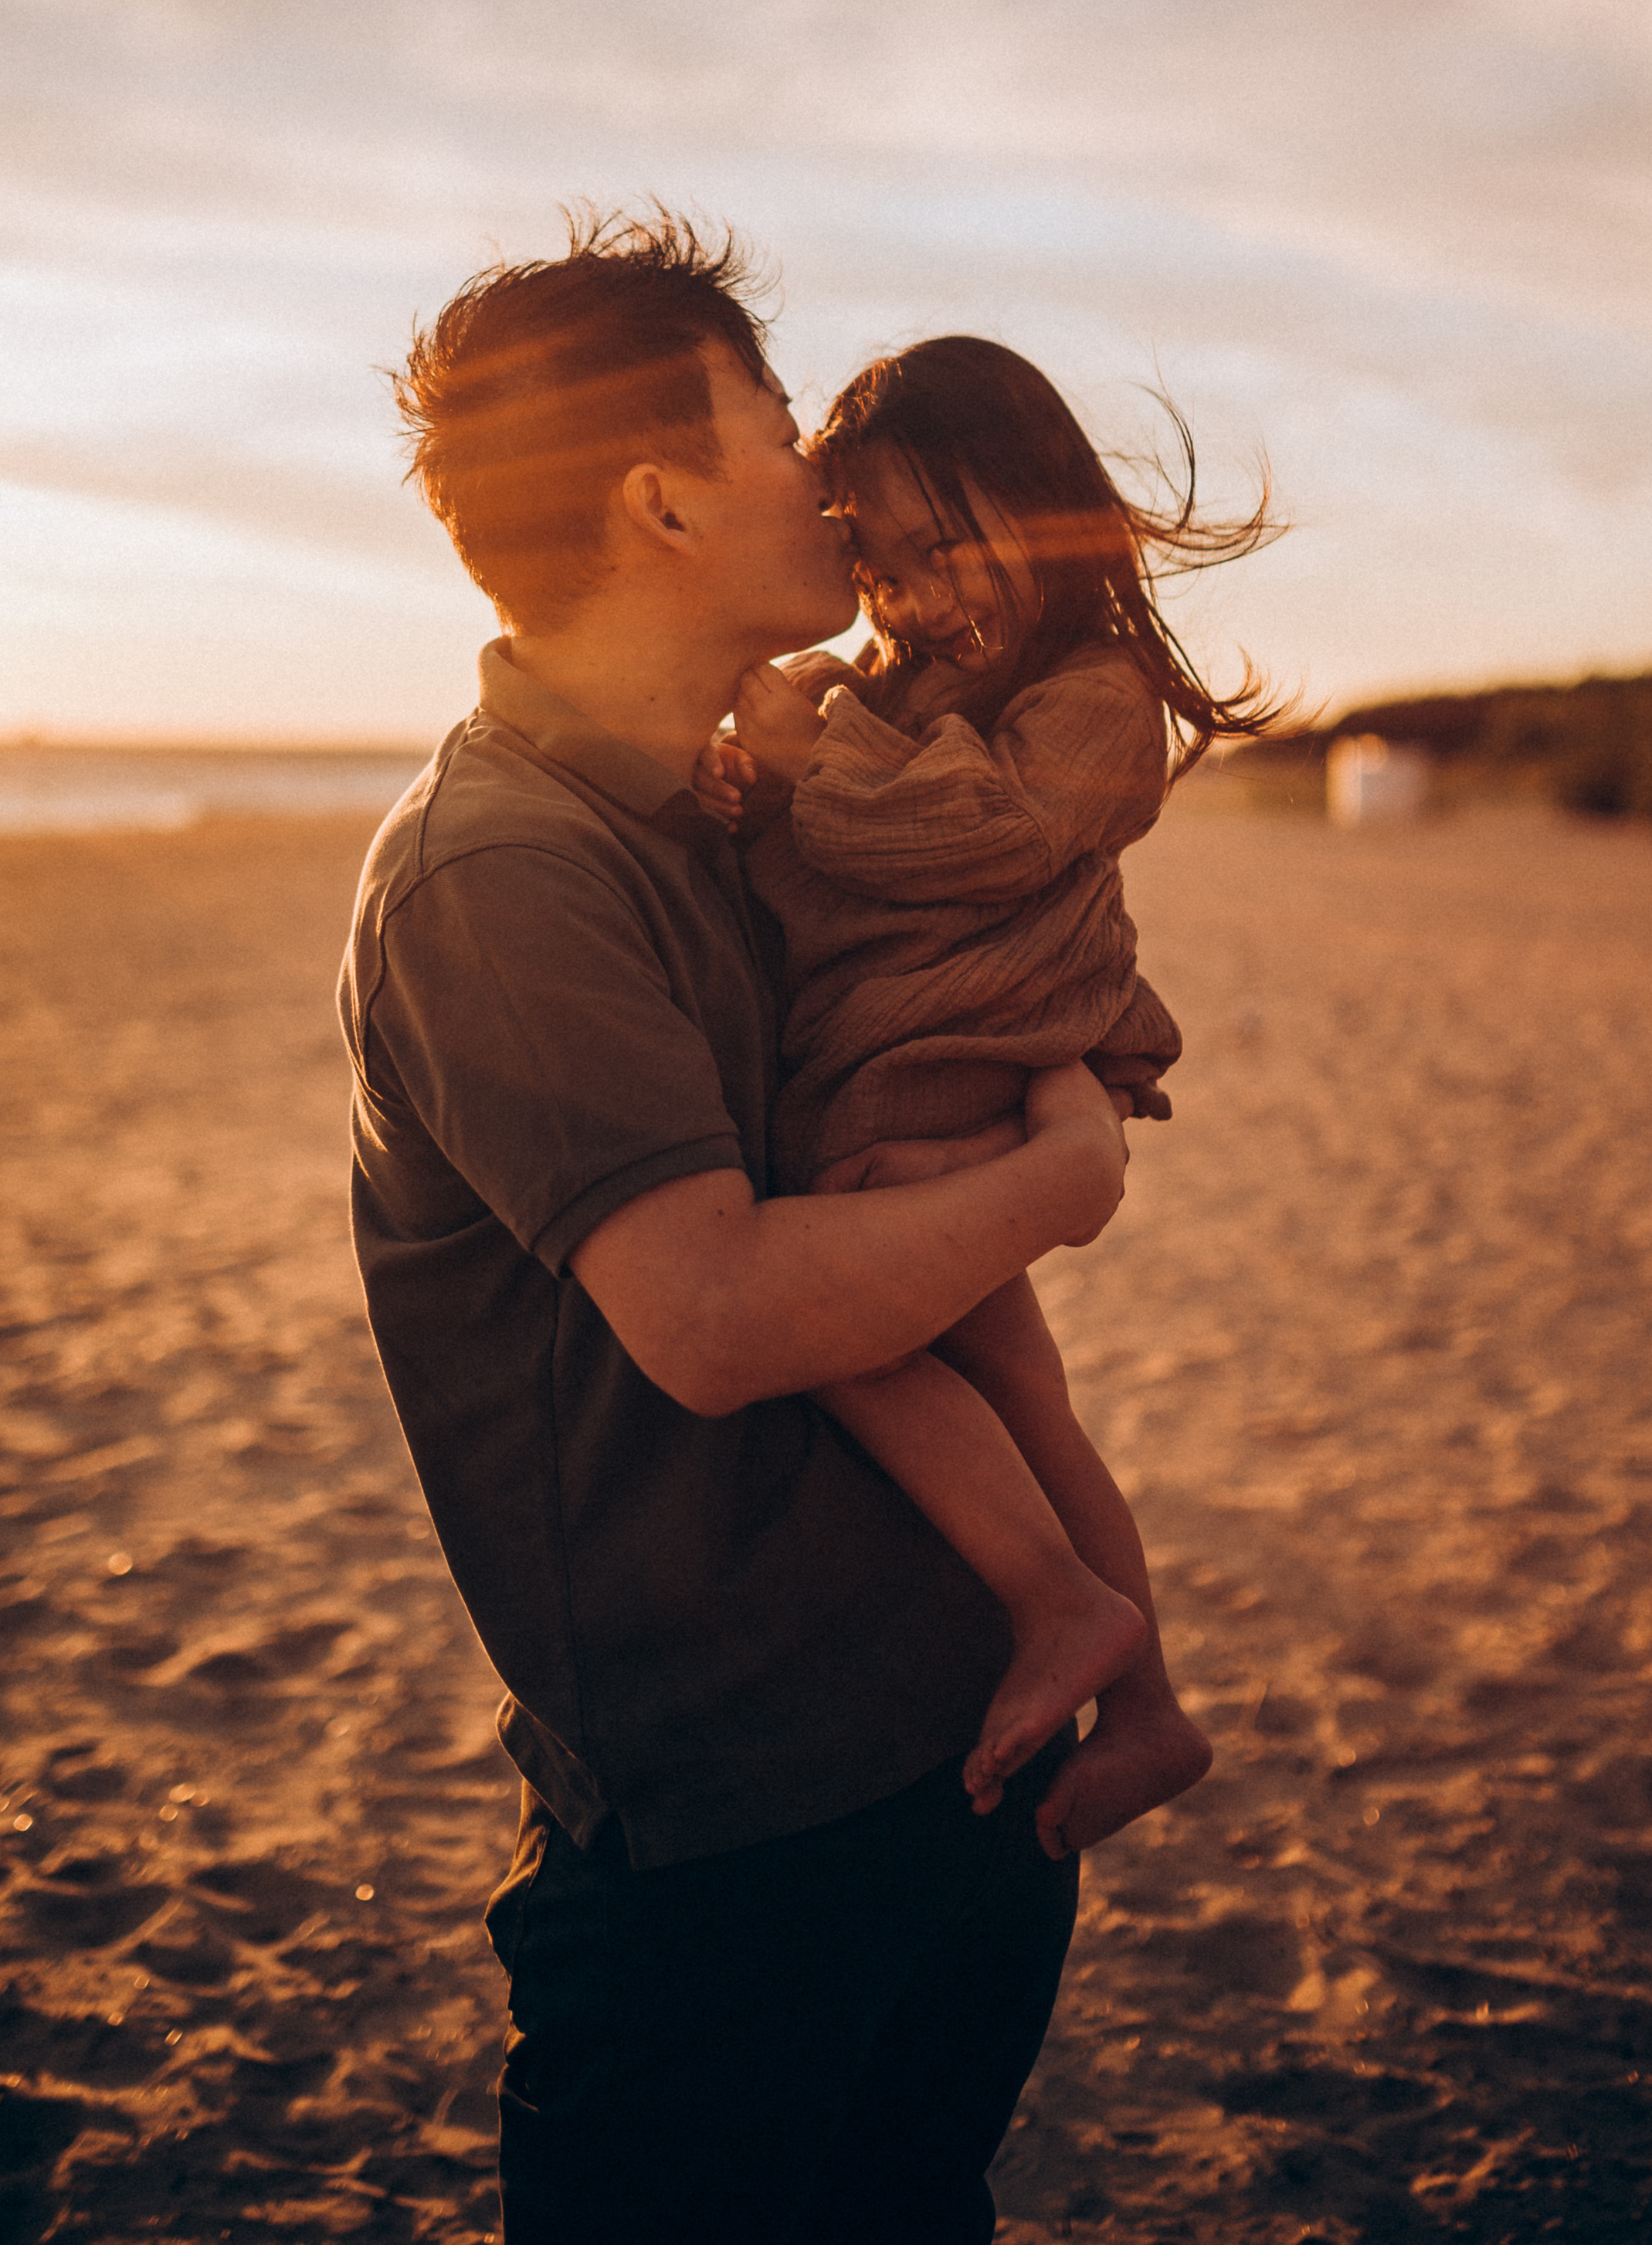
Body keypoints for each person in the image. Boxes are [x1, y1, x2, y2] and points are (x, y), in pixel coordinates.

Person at [339, 212, 1136, 2245]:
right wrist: (1050, 1185)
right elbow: (708, 1314)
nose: (831, 476)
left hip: (964, 1759)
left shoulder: (735, 808)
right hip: (733, 1838)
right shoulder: (501, 875)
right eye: (786, 426)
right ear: (664, 495)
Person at [694, 334, 1280, 1837]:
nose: (915, 596)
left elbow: (980, 842)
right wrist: (748, 775)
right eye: (877, 565)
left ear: (1046, 509)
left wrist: (810, 754)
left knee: (834, 1328)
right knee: (1015, 1384)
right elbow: (805, 879)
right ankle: (1144, 1707)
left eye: (944, 548)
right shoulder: (879, 686)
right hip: (888, 1062)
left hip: (942, 1078)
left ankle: (1046, 1596)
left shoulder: (1093, 697)